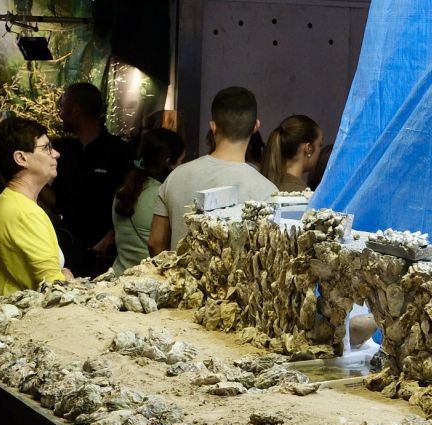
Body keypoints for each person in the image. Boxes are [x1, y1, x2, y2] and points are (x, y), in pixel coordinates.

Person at [147, 86, 279, 256]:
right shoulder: (267, 191)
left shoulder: (176, 176)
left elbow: (155, 242)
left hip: (177, 281)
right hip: (234, 283)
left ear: (213, 126)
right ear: (256, 126)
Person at [0, 115, 71, 294]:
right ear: (21, 158)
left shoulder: (7, 204)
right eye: (47, 148)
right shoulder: (24, 213)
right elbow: (57, 290)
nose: (56, 153)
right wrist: (67, 278)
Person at [49, 82, 131, 278]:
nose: (60, 113)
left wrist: (111, 236)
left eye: (62, 106)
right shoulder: (63, 151)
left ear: (76, 110)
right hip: (67, 252)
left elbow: (130, 200)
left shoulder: (119, 151)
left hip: (105, 258)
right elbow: (56, 201)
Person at [110, 128, 184, 274]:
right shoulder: (162, 195)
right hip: (149, 282)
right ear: (169, 163)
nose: (183, 167)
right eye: (182, 161)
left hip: (120, 275)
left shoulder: (123, 192)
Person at [263, 114, 323, 192]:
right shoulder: (304, 196)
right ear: (309, 148)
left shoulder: (267, 186)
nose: (319, 151)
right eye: (320, 145)